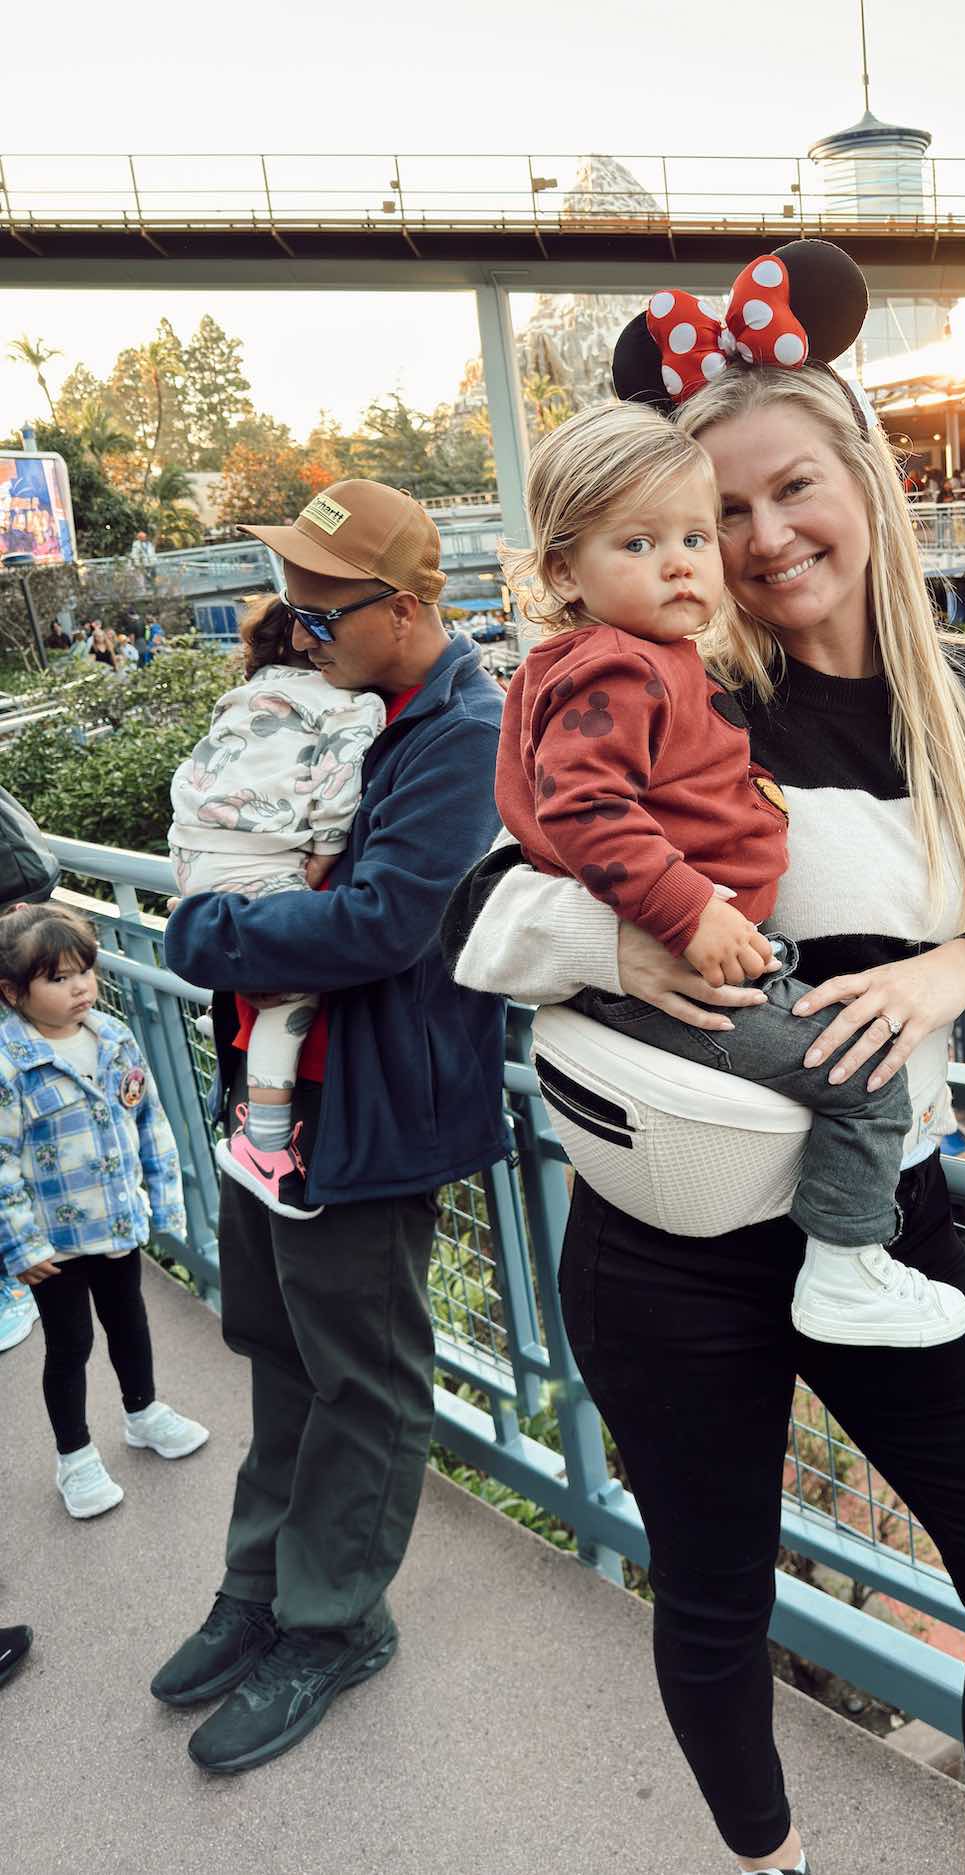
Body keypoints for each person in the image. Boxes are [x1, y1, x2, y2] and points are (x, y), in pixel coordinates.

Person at [443, 241, 965, 1875]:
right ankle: (769, 1864)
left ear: (865, 477)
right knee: (715, 1593)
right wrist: (627, 936)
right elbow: (480, 916)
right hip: (667, 1235)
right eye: (718, 514)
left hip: (880, 1221)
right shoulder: (660, 683)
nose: (761, 541)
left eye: (792, 490)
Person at [158, 479, 507, 1775]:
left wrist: (203, 930)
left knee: (361, 1376)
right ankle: (259, 1589)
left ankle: (333, 1619)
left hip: (369, 1110)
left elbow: (381, 922)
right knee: (278, 1352)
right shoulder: (349, 698)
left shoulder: (464, 724)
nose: (298, 630)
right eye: (292, 605)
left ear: (406, 607)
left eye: (322, 609)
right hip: (272, 1091)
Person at [495, 401, 965, 1348]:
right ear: (562, 571)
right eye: (638, 541)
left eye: (694, 537)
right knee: (868, 1074)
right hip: (686, 972)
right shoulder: (618, 671)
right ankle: (847, 1264)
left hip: (706, 968)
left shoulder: (644, 661)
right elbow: (583, 811)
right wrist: (687, 912)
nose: (680, 562)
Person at [168, 597, 386, 1218]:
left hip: (192, 851)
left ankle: (226, 1022)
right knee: (295, 991)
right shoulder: (349, 701)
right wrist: (325, 848)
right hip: (259, 856)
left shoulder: (244, 696)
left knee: (235, 941)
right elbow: (341, 782)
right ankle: (263, 1143)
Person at [0, 903, 206, 1520]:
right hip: (53, 1243)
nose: (80, 987)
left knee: (130, 1323)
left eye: (83, 971)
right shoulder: (10, 1065)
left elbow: (151, 1120)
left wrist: (164, 1200)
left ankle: (143, 1413)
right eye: (58, 979)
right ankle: (75, 1458)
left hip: (117, 1224)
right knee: (70, 1345)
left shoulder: (114, 1038)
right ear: (12, 992)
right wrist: (20, 1245)